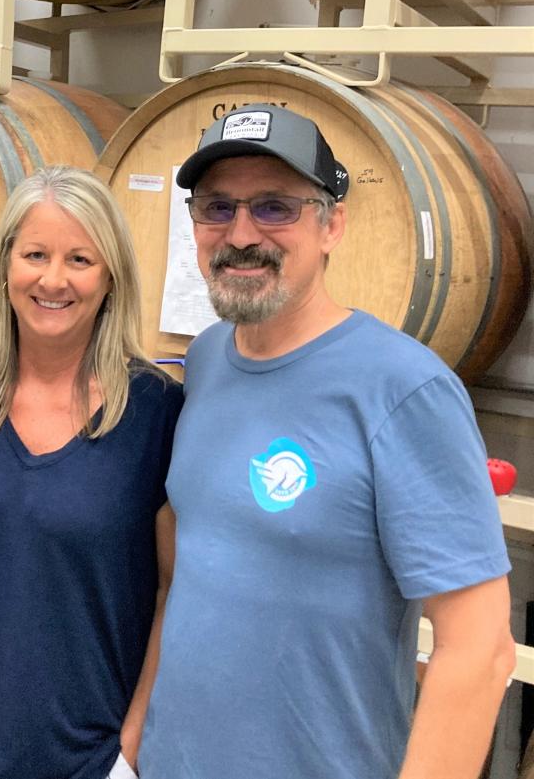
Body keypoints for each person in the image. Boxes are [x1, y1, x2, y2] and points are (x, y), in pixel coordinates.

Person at [138, 104, 515, 779]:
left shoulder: (402, 388)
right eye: (217, 207)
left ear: (332, 223)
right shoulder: (209, 358)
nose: (242, 233)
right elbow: (187, 580)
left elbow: (480, 650)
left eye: (275, 207)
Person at [0, 165, 183, 779]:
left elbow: (170, 591)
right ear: (5, 265)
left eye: (80, 259)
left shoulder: (154, 410)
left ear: (111, 278)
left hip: (89, 760)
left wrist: (128, 751)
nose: (53, 279)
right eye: (35, 254)